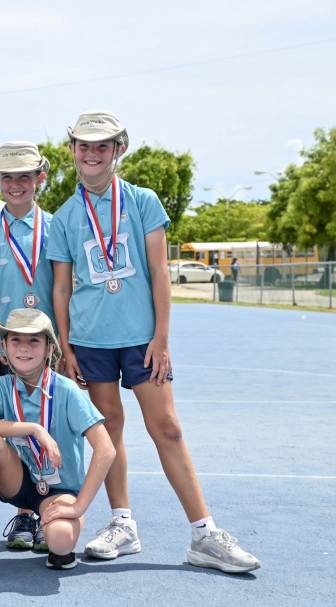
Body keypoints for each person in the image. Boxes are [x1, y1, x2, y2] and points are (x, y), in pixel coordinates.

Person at [47, 110, 260, 573]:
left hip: (142, 340)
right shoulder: (64, 216)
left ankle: (204, 533)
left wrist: (162, 337)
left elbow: (160, 273)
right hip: (90, 341)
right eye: (83, 145)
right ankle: (122, 524)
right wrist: (66, 348)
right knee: (111, 430)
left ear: (118, 149)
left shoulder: (142, 201)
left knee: (168, 428)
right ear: (72, 151)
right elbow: (61, 288)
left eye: (102, 145)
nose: (92, 153)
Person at [0, 308, 115, 587]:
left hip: (59, 489)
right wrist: (34, 429)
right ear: (4, 346)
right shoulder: (2, 386)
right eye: (16, 340)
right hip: (19, 482)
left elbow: (106, 449)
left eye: (34, 341)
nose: (24, 348)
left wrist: (79, 507)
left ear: (50, 348)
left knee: (61, 542)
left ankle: (55, 527)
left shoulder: (66, 390)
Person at [0, 141, 55, 551]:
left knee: (50, 423)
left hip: (47, 345)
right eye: (8, 177)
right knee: (16, 424)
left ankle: (50, 509)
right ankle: (24, 516)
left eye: (25, 175)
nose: (16, 184)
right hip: (7, 347)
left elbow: (62, 289)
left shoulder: (55, 227)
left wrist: (65, 345)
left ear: (40, 177)